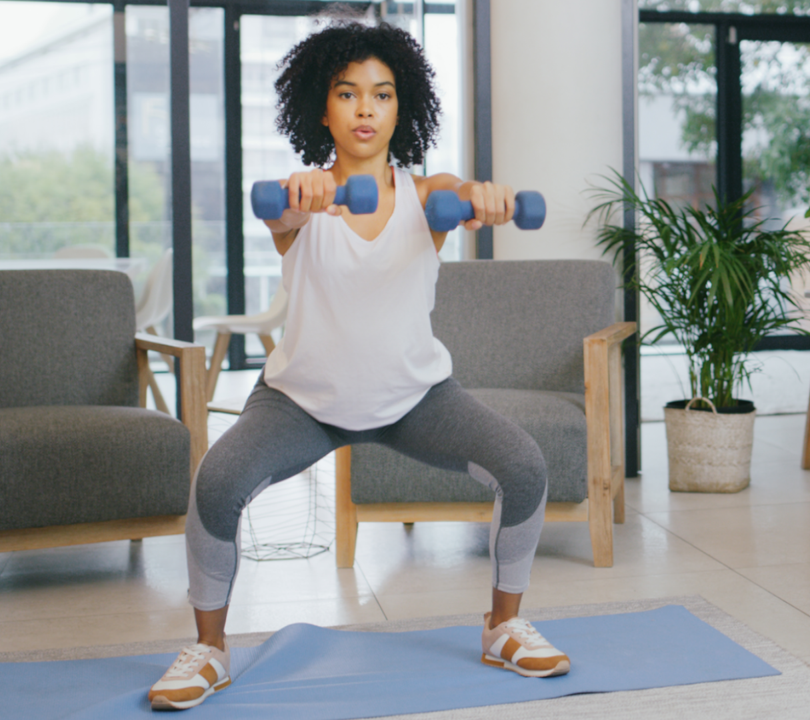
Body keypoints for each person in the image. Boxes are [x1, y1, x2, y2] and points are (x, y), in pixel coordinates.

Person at [147, 18, 569, 712]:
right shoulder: (304, 197)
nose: (366, 108)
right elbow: (281, 214)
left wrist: (482, 199)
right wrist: (302, 200)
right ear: (323, 106)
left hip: (414, 397)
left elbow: (457, 193)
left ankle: (503, 625)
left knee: (522, 467)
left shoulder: (425, 196)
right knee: (216, 483)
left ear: (402, 109)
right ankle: (210, 651)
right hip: (302, 403)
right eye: (348, 94)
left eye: (382, 93)